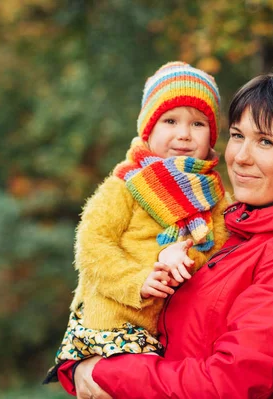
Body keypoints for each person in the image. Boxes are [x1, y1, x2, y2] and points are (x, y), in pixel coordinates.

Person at [57, 68, 273, 398]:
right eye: (237, 136)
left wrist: (104, 372)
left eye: (265, 141)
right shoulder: (233, 225)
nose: (240, 158)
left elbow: (227, 386)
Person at [43, 61, 230, 383]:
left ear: (212, 135)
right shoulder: (126, 183)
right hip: (114, 325)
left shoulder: (214, 195)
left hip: (172, 335)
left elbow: (222, 253)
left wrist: (182, 257)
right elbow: (92, 246)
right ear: (148, 129)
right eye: (170, 120)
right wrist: (139, 279)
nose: (184, 134)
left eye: (198, 124)